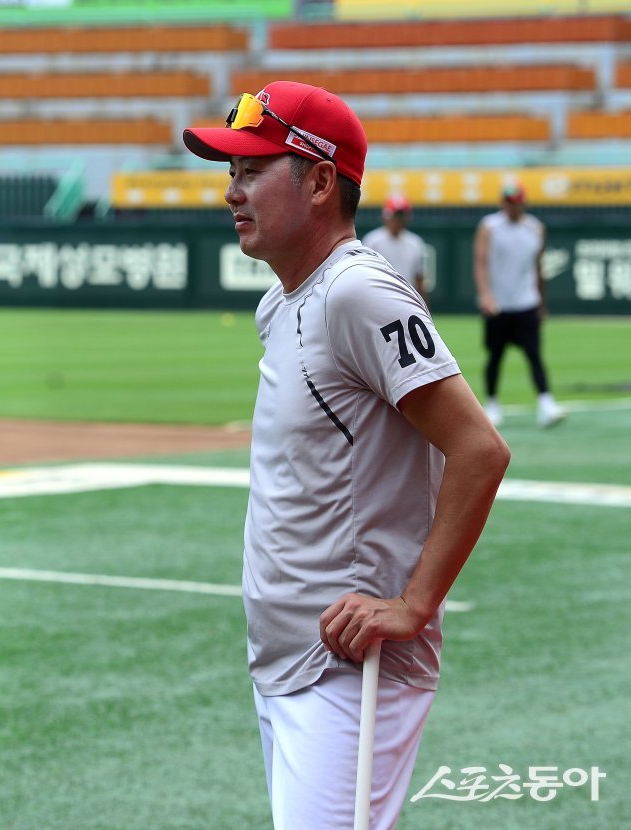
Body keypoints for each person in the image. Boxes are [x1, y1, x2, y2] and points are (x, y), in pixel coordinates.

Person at [183, 81, 510, 829]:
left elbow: (479, 449)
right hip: (290, 660)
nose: (232, 192)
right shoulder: (283, 301)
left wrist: (415, 605)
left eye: (252, 170)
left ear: (321, 181)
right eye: (231, 172)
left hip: (348, 669)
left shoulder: (358, 292)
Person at [473, 182, 566, 428]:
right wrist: (485, 295)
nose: (511, 207)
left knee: (534, 355)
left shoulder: (535, 228)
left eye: (515, 202)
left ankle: (546, 404)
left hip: (526, 302)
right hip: (498, 305)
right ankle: (492, 405)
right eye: (507, 202)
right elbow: (480, 263)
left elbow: (538, 268)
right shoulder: (489, 226)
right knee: (495, 356)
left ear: (523, 203)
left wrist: (541, 302)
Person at [361, 194, 427, 301]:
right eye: (395, 216)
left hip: (407, 297)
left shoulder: (415, 243)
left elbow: (419, 278)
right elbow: (364, 275)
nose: (398, 220)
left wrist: (424, 305)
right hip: (378, 297)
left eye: (401, 216)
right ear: (385, 217)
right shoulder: (372, 241)